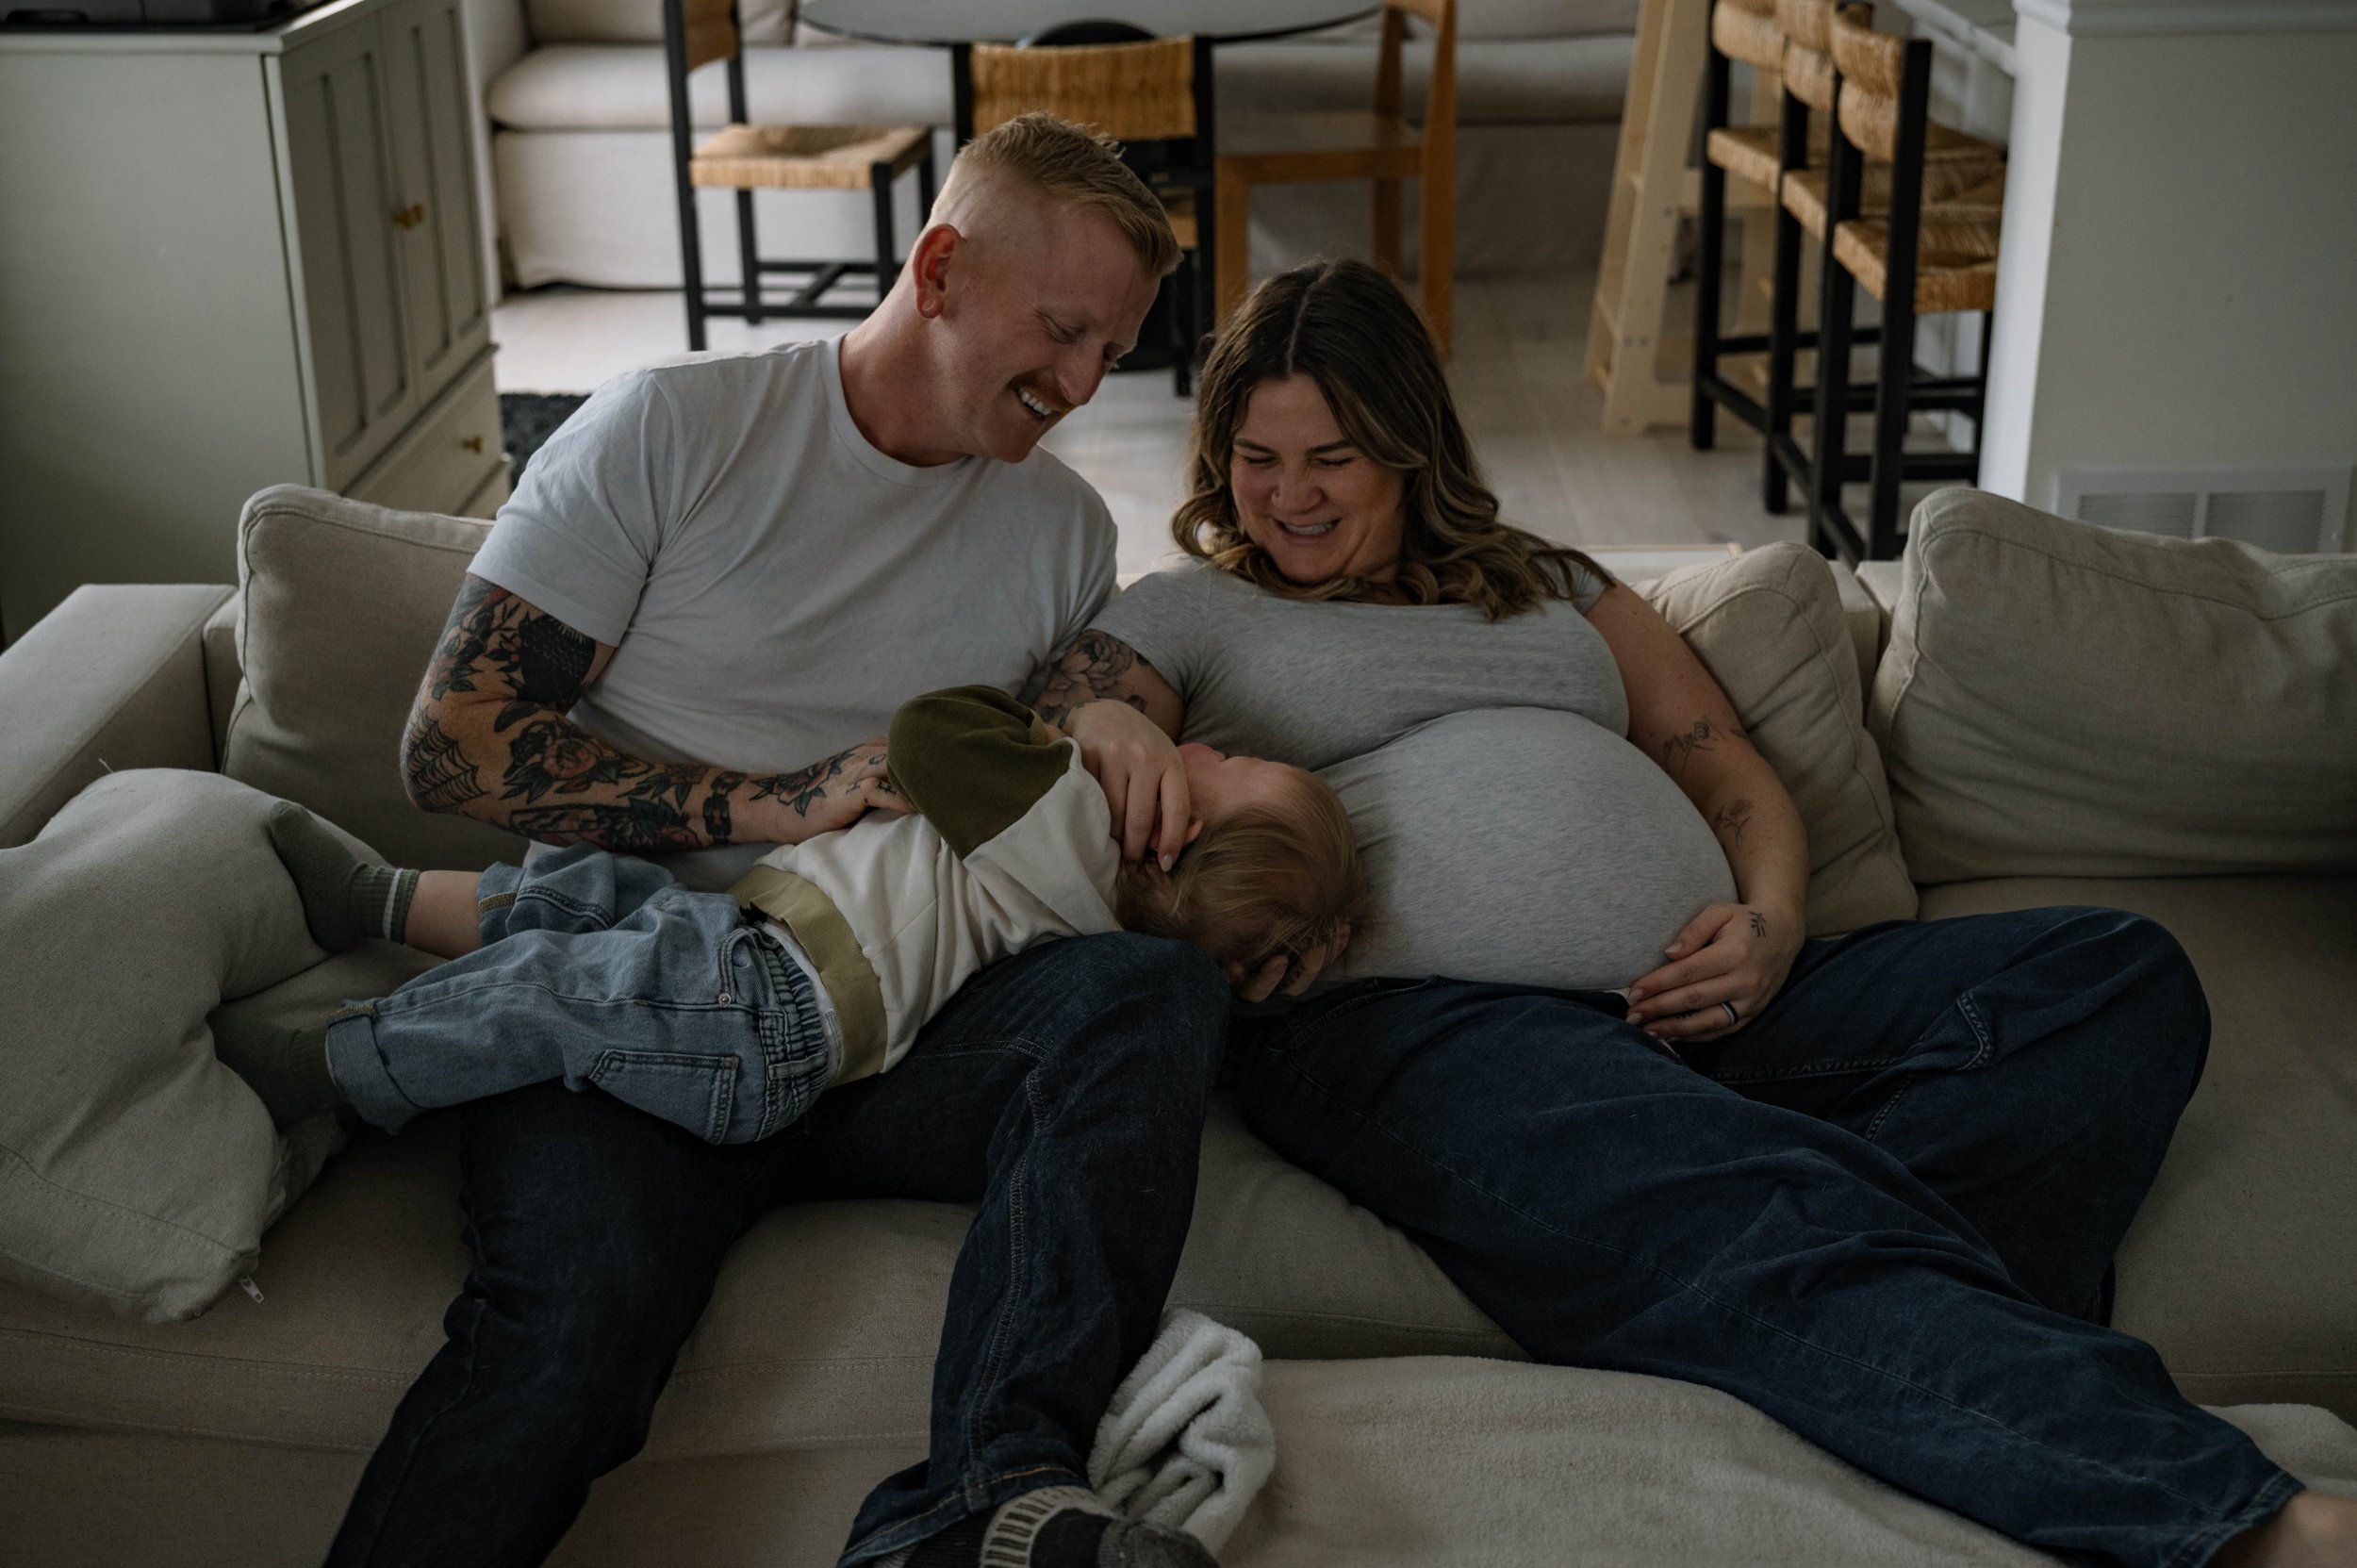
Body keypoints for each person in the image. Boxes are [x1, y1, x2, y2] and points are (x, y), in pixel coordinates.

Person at [1033, 258, 2357, 1568]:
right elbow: (1044, 765)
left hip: (1705, 1001)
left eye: (1332, 458)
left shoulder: (1550, 583)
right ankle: (2247, 1524)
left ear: (1410, 447)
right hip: (1416, 1028)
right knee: (1763, 1209)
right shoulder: (1190, 614)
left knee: (2110, 972)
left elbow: (1725, 768)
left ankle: (1883, 1378)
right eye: (1256, 458)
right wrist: (1095, 722)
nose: (1289, 496)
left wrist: (1770, 923)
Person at [324, 114, 1240, 1568]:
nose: (1080, 386)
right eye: (1062, 331)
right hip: (636, 1003)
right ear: (938, 270)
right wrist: (769, 799)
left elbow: (1077, 752)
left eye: (1112, 351)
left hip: (885, 1024)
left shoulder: (1064, 531)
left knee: (1151, 994)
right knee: (568, 1339)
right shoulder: (674, 428)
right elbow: (454, 740)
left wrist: (1122, 710)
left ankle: (986, 1496)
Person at [239, 686, 1365, 1145]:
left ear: (1175, 833)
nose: (1206, 745)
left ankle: (330, 1067)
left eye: (1229, 770)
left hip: (768, 1007)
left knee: (555, 992)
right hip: (757, 965)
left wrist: (1085, 724)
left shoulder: (1069, 811)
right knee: (589, 892)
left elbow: (930, 731)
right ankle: (373, 899)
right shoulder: (1113, 907)